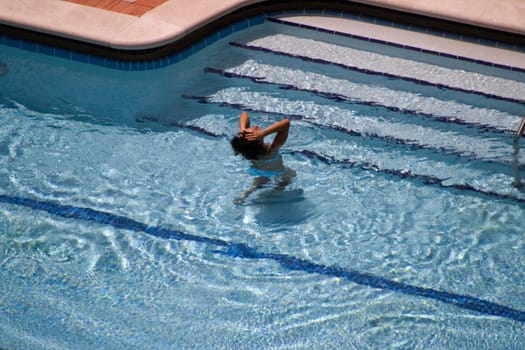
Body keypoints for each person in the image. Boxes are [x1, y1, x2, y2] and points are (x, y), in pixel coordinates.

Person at [231, 111, 295, 203]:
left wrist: (242, 129)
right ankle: (270, 198)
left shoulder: (247, 152)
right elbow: (286, 123)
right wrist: (264, 133)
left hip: (260, 172)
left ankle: (245, 194)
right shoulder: (272, 151)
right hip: (280, 173)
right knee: (288, 177)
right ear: (258, 141)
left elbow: (244, 114)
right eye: (255, 130)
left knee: (259, 182)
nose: (256, 127)